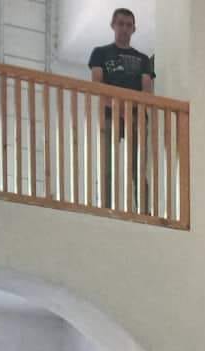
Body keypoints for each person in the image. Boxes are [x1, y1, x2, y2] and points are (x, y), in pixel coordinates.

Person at [89, 8, 156, 211]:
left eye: (129, 25)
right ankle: (106, 208)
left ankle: (144, 212)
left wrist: (128, 109)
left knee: (138, 168)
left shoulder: (143, 59)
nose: (125, 28)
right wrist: (118, 107)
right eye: (121, 23)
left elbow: (147, 91)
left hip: (137, 117)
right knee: (107, 165)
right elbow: (97, 86)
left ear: (134, 29)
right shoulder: (100, 53)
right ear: (113, 25)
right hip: (110, 115)